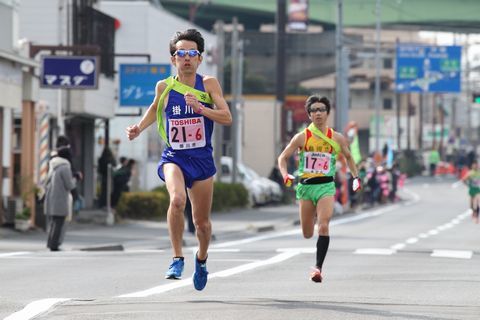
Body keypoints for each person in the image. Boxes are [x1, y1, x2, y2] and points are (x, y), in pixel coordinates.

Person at [126, 29, 232, 291]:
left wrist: (201, 109)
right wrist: (139, 128)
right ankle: (176, 258)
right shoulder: (164, 86)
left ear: (199, 58)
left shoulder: (209, 84)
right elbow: (154, 108)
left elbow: (226, 116)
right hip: (175, 155)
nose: (186, 58)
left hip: (202, 158)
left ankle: (202, 259)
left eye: (191, 54)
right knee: (176, 200)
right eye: (180, 53)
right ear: (173, 59)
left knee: (202, 224)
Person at [277, 95, 361, 283]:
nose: (318, 113)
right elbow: (282, 158)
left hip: (326, 186)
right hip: (306, 188)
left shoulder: (336, 138)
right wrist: (285, 174)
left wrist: (356, 177)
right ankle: (313, 216)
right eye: (314, 110)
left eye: (321, 109)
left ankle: (317, 268)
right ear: (309, 115)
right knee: (307, 233)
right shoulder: (302, 137)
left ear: (328, 113)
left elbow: (349, 158)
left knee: (323, 226)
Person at [44, 146, 77, 251]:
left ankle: (50, 243)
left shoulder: (53, 165)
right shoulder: (65, 167)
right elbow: (69, 185)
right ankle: (54, 245)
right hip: (61, 198)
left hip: (51, 197)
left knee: (53, 222)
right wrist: (76, 179)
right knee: (59, 222)